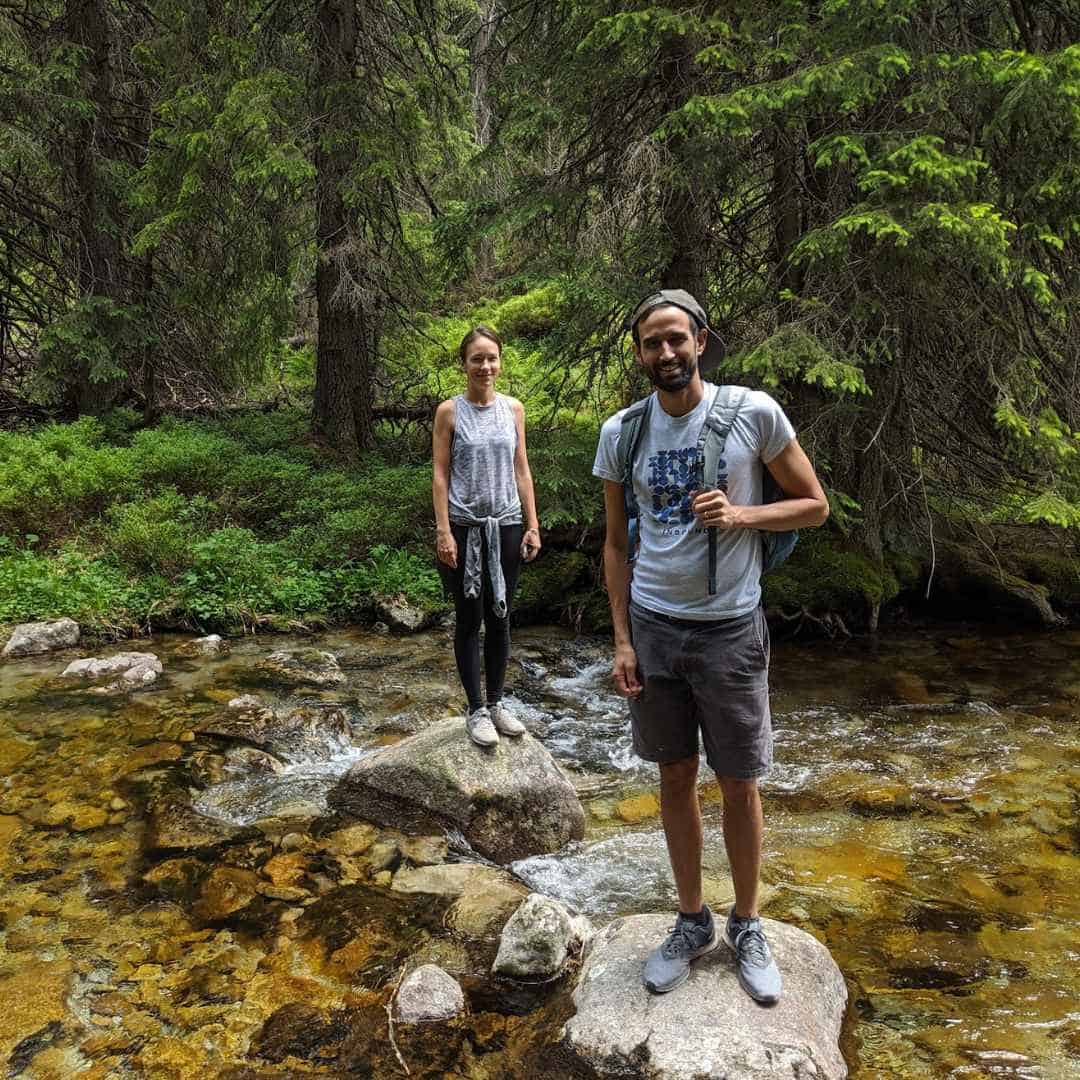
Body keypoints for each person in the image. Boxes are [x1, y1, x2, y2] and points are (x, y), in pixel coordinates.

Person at [592, 289, 829, 1004]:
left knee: (740, 782)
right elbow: (614, 542)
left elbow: (814, 504)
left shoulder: (752, 413)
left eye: (676, 339)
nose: (664, 353)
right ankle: (691, 920)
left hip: (730, 628)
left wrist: (743, 513)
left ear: (700, 340)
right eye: (650, 343)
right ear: (639, 354)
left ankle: (747, 924)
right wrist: (623, 640)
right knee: (672, 777)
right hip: (656, 628)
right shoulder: (622, 432)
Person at [432, 326, 541, 747]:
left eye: (492, 357)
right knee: (468, 619)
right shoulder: (449, 412)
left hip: (507, 524)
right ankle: (475, 708)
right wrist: (444, 531)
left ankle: (496, 703)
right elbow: (440, 476)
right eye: (477, 358)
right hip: (464, 526)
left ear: (501, 361)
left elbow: (521, 468)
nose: (486, 366)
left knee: (500, 616)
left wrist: (532, 524)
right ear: (464, 364)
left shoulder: (514, 409)